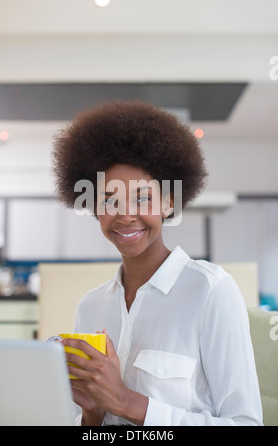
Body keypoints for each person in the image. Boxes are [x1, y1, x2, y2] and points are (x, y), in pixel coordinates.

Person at [52, 101, 263, 426]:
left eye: (143, 197)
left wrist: (127, 401)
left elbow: (246, 423)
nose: (125, 215)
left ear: (169, 202)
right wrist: (92, 415)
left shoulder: (211, 292)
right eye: (109, 200)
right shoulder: (90, 306)